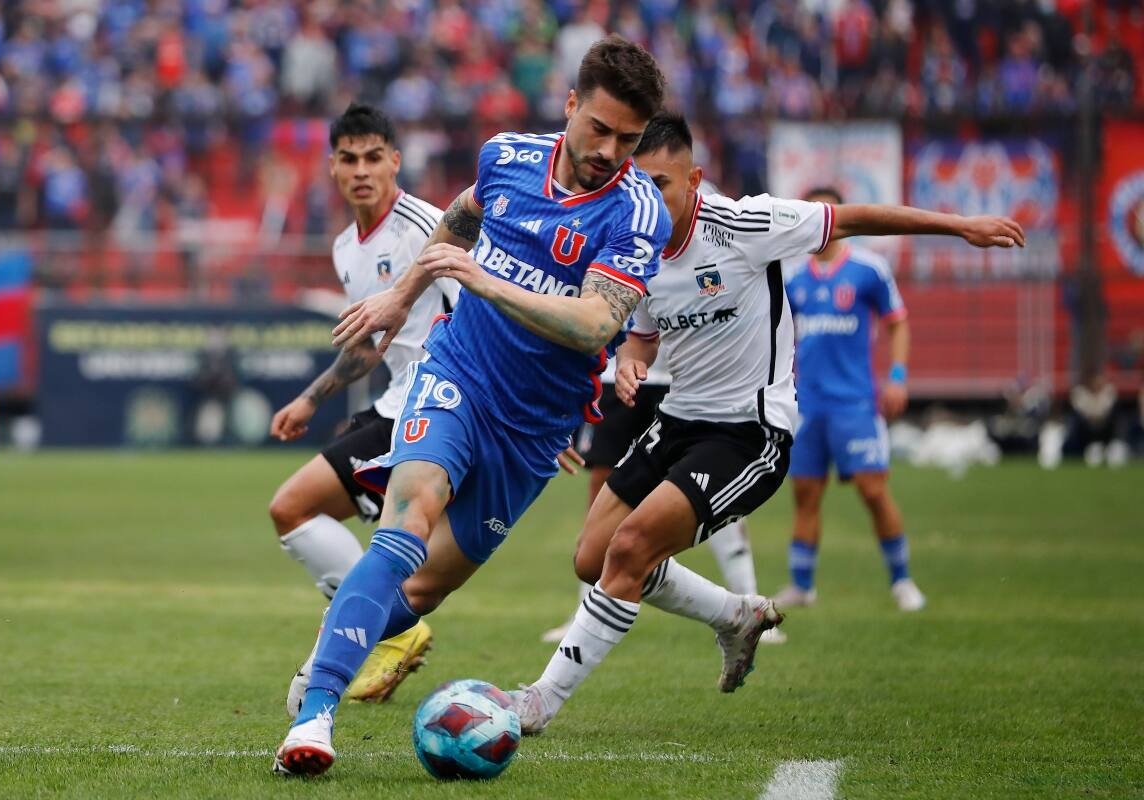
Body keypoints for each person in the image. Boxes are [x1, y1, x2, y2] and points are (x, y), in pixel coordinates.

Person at [508, 112, 1025, 735]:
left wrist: (959, 226)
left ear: (694, 179)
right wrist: (628, 364)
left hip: (748, 434)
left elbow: (855, 217)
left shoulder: (744, 223)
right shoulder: (634, 247)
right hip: (675, 421)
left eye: (662, 183)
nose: (647, 198)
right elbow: (641, 341)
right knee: (592, 558)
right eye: (635, 184)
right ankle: (734, 614)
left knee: (630, 550)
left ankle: (539, 703)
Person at [273, 37, 672, 777]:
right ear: (571, 105)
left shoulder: (635, 212)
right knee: (406, 524)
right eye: (600, 129)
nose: (611, 150)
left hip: (534, 429)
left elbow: (594, 323)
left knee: (424, 589)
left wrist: (484, 281)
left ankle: (331, 651)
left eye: (629, 139)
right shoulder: (508, 157)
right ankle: (316, 711)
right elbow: (461, 219)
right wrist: (400, 296)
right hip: (456, 375)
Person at [266, 104, 457, 710]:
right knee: (297, 512)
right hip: (396, 401)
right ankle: (390, 628)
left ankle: (388, 629)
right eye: (348, 158)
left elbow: (483, 306)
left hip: (438, 407)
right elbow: (369, 347)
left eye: (374, 156)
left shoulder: (431, 226)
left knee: (292, 506)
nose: (361, 170)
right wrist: (310, 396)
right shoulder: (347, 247)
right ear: (332, 167)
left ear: (395, 160)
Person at [542, 346, 771, 644]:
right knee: (603, 482)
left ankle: (748, 596)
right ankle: (584, 609)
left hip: (685, 379)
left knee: (705, 484)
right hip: (618, 376)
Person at [774, 186, 925, 612]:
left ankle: (902, 581)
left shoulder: (868, 269)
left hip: (855, 404)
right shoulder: (792, 276)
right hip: (808, 407)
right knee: (805, 494)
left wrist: (897, 377)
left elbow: (897, 322)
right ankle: (801, 586)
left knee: (873, 491)